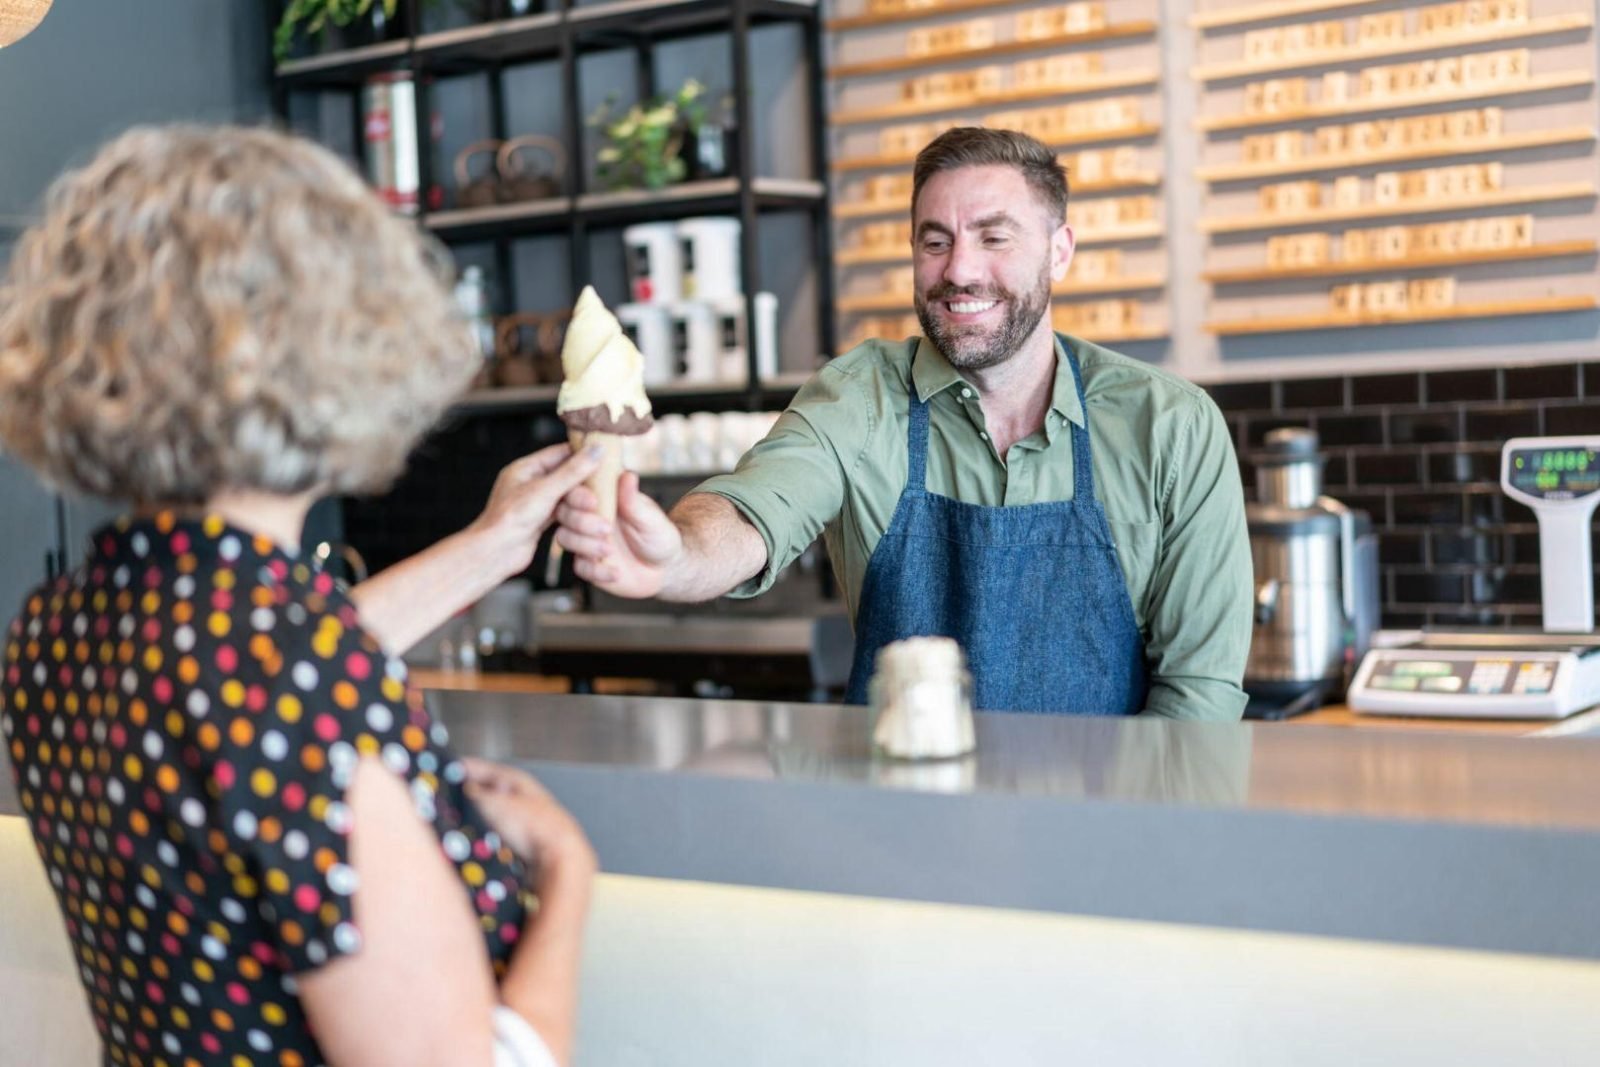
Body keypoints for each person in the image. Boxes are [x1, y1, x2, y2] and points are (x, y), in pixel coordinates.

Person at [0, 125, 600, 1067]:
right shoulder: (289, 666)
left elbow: (250, 670)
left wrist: (494, 543)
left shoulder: (60, 630)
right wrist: (567, 873)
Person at [557, 127, 1253, 719]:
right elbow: (755, 509)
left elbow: (1199, 696)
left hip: (1103, 837)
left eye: (994, 237)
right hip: (899, 828)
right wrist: (675, 553)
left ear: (1059, 250)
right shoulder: (862, 396)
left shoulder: (1169, 426)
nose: (960, 270)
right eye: (935, 241)